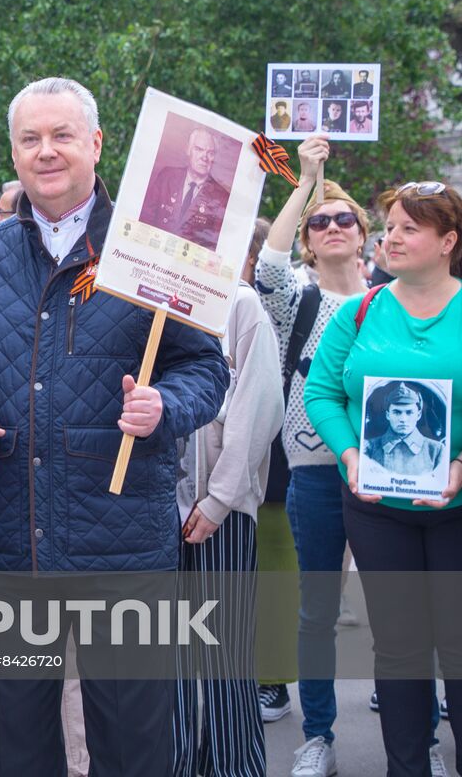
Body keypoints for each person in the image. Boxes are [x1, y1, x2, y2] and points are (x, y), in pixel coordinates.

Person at [0, 77, 229, 776]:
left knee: (131, 745)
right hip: (12, 539)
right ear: (14, 151)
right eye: (30, 139)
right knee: (17, 744)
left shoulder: (155, 251)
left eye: (62, 135)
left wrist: (164, 407)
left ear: (96, 143)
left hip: (120, 541)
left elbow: (205, 371)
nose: (46, 151)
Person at [304, 181, 462, 777]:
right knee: (398, 651)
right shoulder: (360, 311)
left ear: (448, 241)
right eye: (390, 226)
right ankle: (406, 767)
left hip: (457, 510)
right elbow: (320, 392)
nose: (390, 237)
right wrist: (349, 456)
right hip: (376, 508)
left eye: (407, 229)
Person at [252, 136, 367, 776]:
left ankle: (420, 730)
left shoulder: (394, 301)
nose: (329, 226)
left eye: (341, 217)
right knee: (316, 610)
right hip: (317, 476)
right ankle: (317, 735)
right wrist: (308, 181)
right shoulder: (297, 297)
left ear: (363, 234)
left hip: (389, 479)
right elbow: (266, 268)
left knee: (409, 608)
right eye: (318, 222)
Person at [172, 218, 283, 777]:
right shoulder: (145, 304)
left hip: (220, 509)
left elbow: (259, 408)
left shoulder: (240, 307)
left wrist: (218, 501)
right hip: (149, 510)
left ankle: (233, 764)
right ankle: (173, 763)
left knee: (221, 650)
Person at [139, 128, 231, 250]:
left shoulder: (222, 197)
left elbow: (214, 246)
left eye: (210, 153)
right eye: (199, 149)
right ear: (188, 150)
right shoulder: (166, 177)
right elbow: (145, 219)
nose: (205, 157)